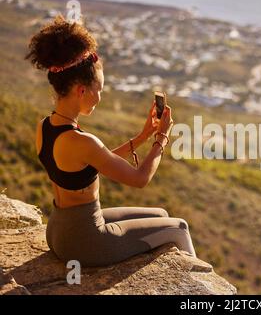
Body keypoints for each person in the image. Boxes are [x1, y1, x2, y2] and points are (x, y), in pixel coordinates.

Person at [26, 15, 196, 267]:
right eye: (100, 90)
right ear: (81, 90)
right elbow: (139, 180)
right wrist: (162, 138)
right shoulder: (83, 141)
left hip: (59, 230)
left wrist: (142, 137)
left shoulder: (46, 126)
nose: (100, 97)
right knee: (179, 227)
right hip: (85, 242)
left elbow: (90, 164)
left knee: (161, 215)